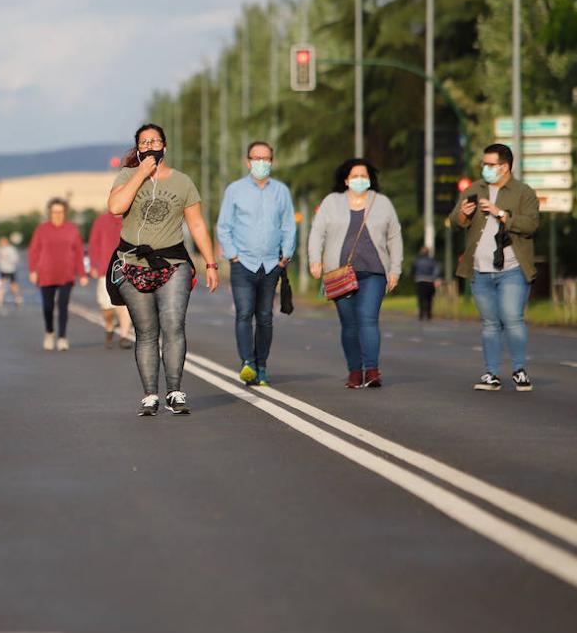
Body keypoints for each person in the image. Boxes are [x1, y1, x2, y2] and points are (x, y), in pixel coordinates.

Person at [106, 123, 220, 416]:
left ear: (165, 146)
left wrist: (210, 262)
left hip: (173, 264)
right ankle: (150, 395)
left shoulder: (182, 182)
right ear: (138, 148)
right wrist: (141, 173)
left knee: (173, 326)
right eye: (144, 142)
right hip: (132, 265)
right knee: (146, 332)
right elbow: (116, 207)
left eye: (155, 140)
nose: (150, 145)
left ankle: (175, 391)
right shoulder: (127, 175)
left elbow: (196, 224)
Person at [449, 143, 540, 392]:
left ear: (505, 167)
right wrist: (464, 214)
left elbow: (531, 225)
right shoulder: (475, 189)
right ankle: (491, 374)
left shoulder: (523, 192)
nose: (485, 168)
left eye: (490, 165)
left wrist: (500, 213)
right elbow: (455, 220)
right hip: (480, 269)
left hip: (512, 268)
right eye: (484, 164)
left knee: (512, 318)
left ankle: (519, 370)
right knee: (490, 323)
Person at [308, 158, 402, 390]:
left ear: (370, 179)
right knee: (349, 325)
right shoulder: (332, 202)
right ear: (346, 180)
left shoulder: (382, 203)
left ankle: (371, 370)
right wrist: (315, 260)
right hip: (340, 273)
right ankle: (354, 371)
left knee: (368, 319)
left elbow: (394, 237)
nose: (360, 179)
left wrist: (395, 270)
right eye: (355, 176)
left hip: (374, 273)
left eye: (364, 176)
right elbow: (317, 232)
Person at [215, 140, 297, 387]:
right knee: (243, 313)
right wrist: (233, 256)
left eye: (266, 159)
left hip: (272, 264)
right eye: (257, 158)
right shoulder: (235, 190)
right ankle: (247, 363)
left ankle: (262, 366)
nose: (261, 163)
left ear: (272, 161)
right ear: (247, 161)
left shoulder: (281, 191)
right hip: (243, 264)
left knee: (265, 317)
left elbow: (288, 225)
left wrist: (286, 256)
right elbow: (224, 226)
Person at [28, 198, 87, 351]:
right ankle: (49, 332)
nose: (57, 215)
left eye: (60, 212)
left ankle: (62, 337)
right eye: (54, 212)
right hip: (46, 273)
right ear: (49, 213)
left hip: (66, 274)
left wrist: (82, 274)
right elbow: (33, 251)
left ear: (65, 213)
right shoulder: (42, 229)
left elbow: (79, 252)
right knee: (48, 306)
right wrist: (32, 270)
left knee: (63, 306)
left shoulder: (72, 229)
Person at [87, 209, 132, 349]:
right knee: (106, 307)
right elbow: (93, 244)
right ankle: (109, 325)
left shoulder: (132, 218)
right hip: (105, 270)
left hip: (128, 268)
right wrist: (93, 265)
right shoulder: (101, 221)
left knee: (125, 305)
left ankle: (124, 336)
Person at [412, 246, 442, 321]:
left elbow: (413, 270)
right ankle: (429, 314)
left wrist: (414, 276)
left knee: (421, 299)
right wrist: (435, 278)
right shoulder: (432, 261)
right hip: (430, 281)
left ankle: (421, 314)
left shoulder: (417, 261)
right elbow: (436, 270)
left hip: (420, 281)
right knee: (429, 299)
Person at [0, 236, 23, 312]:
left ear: (6, 242)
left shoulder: (11, 249)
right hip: (2, 269)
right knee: (1, 285)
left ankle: (18, 299)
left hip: (10, 270)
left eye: (2, 241)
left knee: (13, 285)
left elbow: (15, 259)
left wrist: (7, 258)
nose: (1, 243)